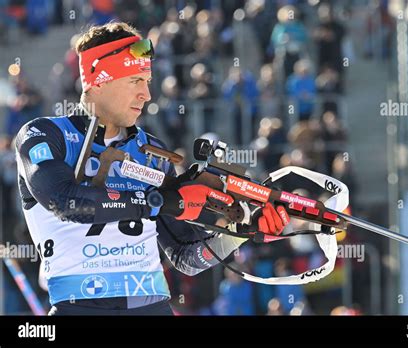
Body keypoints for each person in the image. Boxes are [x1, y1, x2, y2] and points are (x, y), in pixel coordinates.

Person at [15, 22, 290, 315]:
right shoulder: (46, 134)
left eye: (147, 81)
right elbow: (67, 202)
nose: (146, 94)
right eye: (135, 81)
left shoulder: (152, 151)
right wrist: (153, 202)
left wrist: (237, 233)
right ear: (99, 81)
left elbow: (185, 256)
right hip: (80, 308)